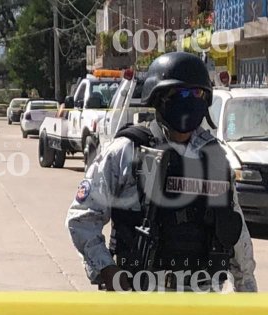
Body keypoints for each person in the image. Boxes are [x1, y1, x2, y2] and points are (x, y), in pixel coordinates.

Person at [66, 52, 257, 292]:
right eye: (180, 94)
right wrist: (106, 268)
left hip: (202, 297)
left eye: (196, 94)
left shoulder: (216, 159)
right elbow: (82, 218)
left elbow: (238, 241)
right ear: (158, 98)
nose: (189, 100)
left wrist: (247, 296)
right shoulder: (127, 151)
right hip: (141, 294)